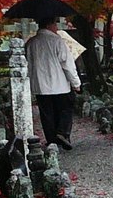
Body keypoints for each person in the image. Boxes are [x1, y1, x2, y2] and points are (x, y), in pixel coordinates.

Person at [26, 17, 81, 150]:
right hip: (59, 84)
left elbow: (28, 63)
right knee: (65, 108)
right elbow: (67, 64)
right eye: (55, 23)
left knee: (47, 114)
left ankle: (52, 141)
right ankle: (62, 132)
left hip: (40, 85)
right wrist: (76, 82)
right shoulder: (57, 41)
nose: (57, 27)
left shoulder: (31, 43)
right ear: (50, 24)